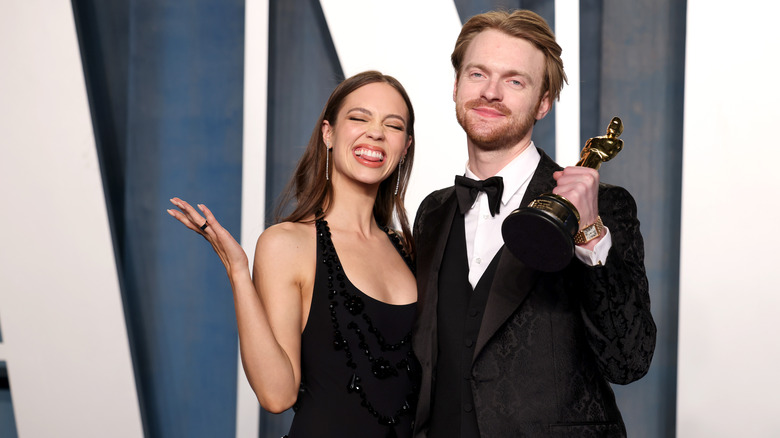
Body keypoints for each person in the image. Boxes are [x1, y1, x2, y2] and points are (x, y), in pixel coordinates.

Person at [411, 10, 656, 438]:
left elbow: (629, 361)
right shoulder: (432, 213)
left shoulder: (604, 207)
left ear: (543, 102)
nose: (490, 92)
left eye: (514, 80)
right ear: (455, 87)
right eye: (477, 74)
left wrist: (589, 232)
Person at [168, 71, 419, 438]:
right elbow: (277, 394)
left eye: (392, 125)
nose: (376, 133)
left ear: (405, 146)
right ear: (328, 133)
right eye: (359, 118)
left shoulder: (409, 248)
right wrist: (239, 271)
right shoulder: (287, 244)